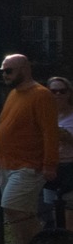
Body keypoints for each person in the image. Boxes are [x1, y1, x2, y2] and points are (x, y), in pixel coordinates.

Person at [0, 53, 59, 244]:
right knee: (18, 213)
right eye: (3, 71)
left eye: (9, 71)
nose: (5, 75)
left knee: (13, 205)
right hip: (7, 163)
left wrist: (50, 164)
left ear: (25, 69)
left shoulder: (41, 95)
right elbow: (7, 126)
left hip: (29, 165)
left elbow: (50, 132)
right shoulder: (13, 94)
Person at [52, 76, 73, 228]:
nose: (58, 95)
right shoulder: (46, 115)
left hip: (70, 166)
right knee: (54, 208)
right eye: (53, 91)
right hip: (51, 166)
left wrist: (65, 136)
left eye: (62, 91)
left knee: (70, 207)